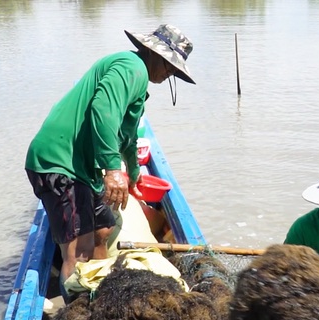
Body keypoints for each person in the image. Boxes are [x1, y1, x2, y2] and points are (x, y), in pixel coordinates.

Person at [24, 24, 195, 292]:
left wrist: (134, 175)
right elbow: (102, 110)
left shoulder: (137, 82)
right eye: (171, 66)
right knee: (78, 253)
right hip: (61, 162)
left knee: (103, 232)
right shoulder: (132, 67)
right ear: (156, 55)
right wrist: (113, 170)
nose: (171, 72)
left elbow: (127, 136)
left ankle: (102, 294)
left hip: (85, 168)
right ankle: (78, 315)